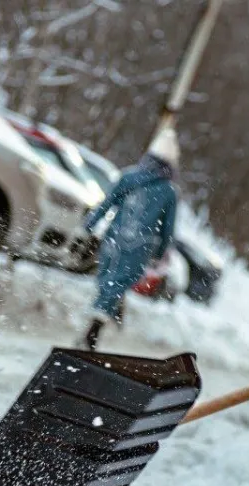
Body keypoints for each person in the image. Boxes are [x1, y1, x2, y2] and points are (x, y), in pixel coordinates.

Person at [78, 128, 180, 351]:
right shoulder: (168, 192)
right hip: (139, 247)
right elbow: (168, 228)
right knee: (118, 283)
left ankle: (101, 321)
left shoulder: (129, 176)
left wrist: (89, 226)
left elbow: (107, 203)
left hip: (113, 239)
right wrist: (160, 252)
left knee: (108, 280)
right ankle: (93, 332)